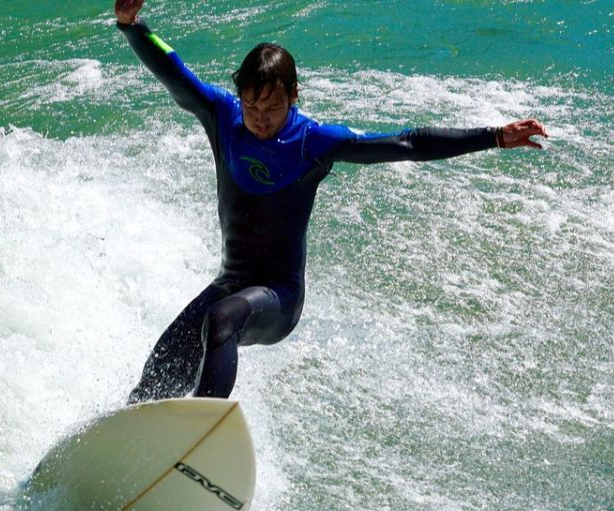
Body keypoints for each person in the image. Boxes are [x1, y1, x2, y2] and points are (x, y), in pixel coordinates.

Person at [114, 0, 548, 404]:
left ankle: (200, 433)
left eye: (273, 108)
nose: (260, 119)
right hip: (232, 281)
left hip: (278, 298)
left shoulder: (313, 142)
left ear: (293, 97)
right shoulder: (223, 118)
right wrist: (132, 26)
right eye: (252, 106)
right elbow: (173, 72)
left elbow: (408, 144)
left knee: (222, 319)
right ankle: (132, 439)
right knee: (160, 366)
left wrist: (492, 136)